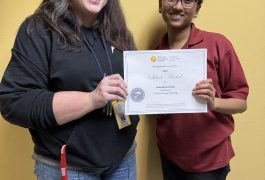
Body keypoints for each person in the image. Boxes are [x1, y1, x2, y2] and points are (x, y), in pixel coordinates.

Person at [0, 0, 139, 179]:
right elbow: (15, 102)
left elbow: (137, 86)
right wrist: (91, 99)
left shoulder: (117, 30)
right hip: (70, 166)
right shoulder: (38, 30)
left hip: (123, 159)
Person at [156, 0, 249, 179]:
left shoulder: (218, 44)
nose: (177, 6)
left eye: (187, 1)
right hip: (169, 154)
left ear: (197, 9)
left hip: (209, 159)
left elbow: (241, 103)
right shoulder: (155, 55)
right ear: (160, 5)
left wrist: (214, 102)